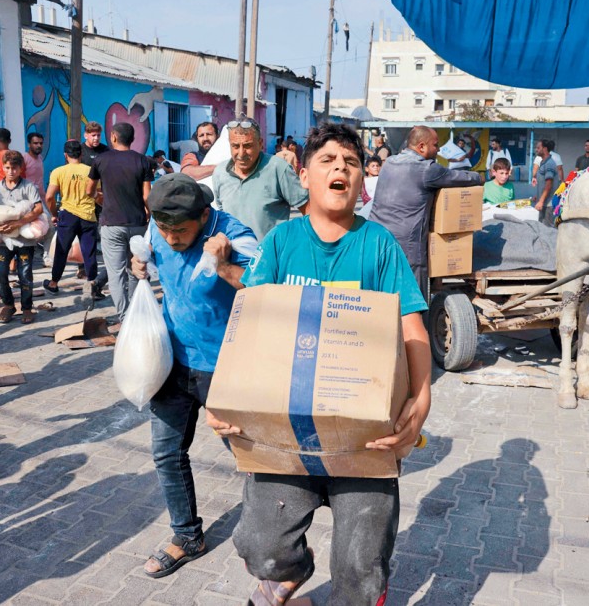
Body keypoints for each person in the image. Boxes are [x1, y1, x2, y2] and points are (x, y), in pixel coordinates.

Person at [207, 123, 431, 606]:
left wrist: (422, 395)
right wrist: (225, 401)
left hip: (364, 438)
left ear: (361, 182)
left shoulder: (379, 245)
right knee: (262, 549)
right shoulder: (282, 242)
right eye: (327, 161)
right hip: (285, 433)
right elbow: (252, 318)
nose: (340, 169)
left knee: (360, 568)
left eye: (350, 163)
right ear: (303, 176)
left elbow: (413, 328)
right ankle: (294, 570)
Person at [130, 173, 255, 579]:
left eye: (179, 231)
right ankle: (187, 537)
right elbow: (151, 246)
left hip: (226, 368)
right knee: (166, 453)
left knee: (249, 458)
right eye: (163, 228)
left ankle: (269, 536)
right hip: (173, 360)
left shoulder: (236, 235)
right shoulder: (160, 223)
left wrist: (225, 265)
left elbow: (265, 287)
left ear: (204, 216)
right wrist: (139, 260)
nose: (170, 238)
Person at [369, 125, 483, 299]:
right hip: (408, 244)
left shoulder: (390, 162)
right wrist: (480, 177)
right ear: (421, 146)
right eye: (435, 145)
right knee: (414, 298)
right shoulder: (426, 169)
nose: (438, 150)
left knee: (383, 290)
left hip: (377, 237)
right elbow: (460, 178)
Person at [86, 122, 154, 321]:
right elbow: (146, 196)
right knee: (136, 269)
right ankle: (136, 313)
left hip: (111, 224)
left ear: (114, 137)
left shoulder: (100, 160)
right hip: (137, 224)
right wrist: (149, 216)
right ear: (132, 139)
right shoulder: (143, 161)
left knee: (116, 274)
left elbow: (89, 191)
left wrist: (102, 199)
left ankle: (125, 317)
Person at [212, 117, 308, 241]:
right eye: (235, 146)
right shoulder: (220, 173)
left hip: (272, 257)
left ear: (261, 144)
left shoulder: (278, 168)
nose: (241, 153)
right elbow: (223, 215)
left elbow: (308, 209)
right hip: (234, 257)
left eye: (247, 146)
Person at [0, 150, 44, 324]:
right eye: (7, 167)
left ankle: (27, 308)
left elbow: (38, 209)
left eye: (14, 168)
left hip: (25, 239)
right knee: (0, 272)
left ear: (21, 168)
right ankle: (8, 305)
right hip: (4, 240)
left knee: (25, 274)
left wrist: (18, 223)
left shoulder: (29, 187)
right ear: (2, 168)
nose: (11, 171)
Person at [44, 140, 99, 297]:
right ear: (81, 154)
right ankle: (92, 286)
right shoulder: (91, 171)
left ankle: (54, 283)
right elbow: (98, 195)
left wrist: (54, 213)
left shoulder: (58, 172)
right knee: (89, 251)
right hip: (88, 215)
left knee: (62, 250)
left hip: (67, 215)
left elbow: (49, 197)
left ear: (65, 155)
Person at [80, 121, 109, 286]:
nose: (96, 138)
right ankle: (81, 265)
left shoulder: (105, 151)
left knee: (102, 231)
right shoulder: (81, 152)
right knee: (86, 234)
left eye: (98, 135)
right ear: (86, 135)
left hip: (102, 197)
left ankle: (105, 263)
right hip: (85, 198)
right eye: (93, 135)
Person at [533, 139, 559, 228]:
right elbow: (544, 183)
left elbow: (548, 185)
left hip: (548, 204)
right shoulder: (543, 162)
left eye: (538, 147)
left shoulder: (549, 164)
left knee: (547, 230)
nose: (536, 149)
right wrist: (539, 196)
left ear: (545, 149)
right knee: (541, 228)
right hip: (544, 202)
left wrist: (541, 201)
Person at [23, 132, 47, 198]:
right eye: (35, 143)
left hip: (40, 196)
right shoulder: (24, 158)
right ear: (29, 144)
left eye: (41, 143)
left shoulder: (40, 158)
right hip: (28, 196)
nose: (39, 145)